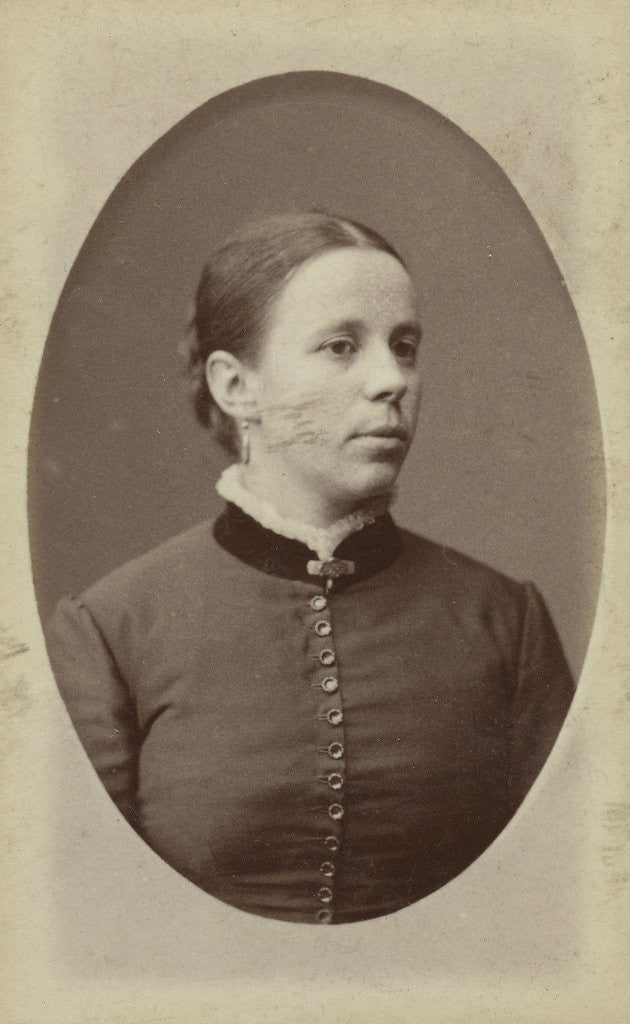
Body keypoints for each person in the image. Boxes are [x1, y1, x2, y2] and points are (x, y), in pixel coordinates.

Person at [45, 210, 575, 926]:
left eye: (406, 346)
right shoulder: (110, 633)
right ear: (237, 388)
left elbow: (565, 915)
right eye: (339, 347)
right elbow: (77, 925)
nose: (391, 379)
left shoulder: (505, 623)